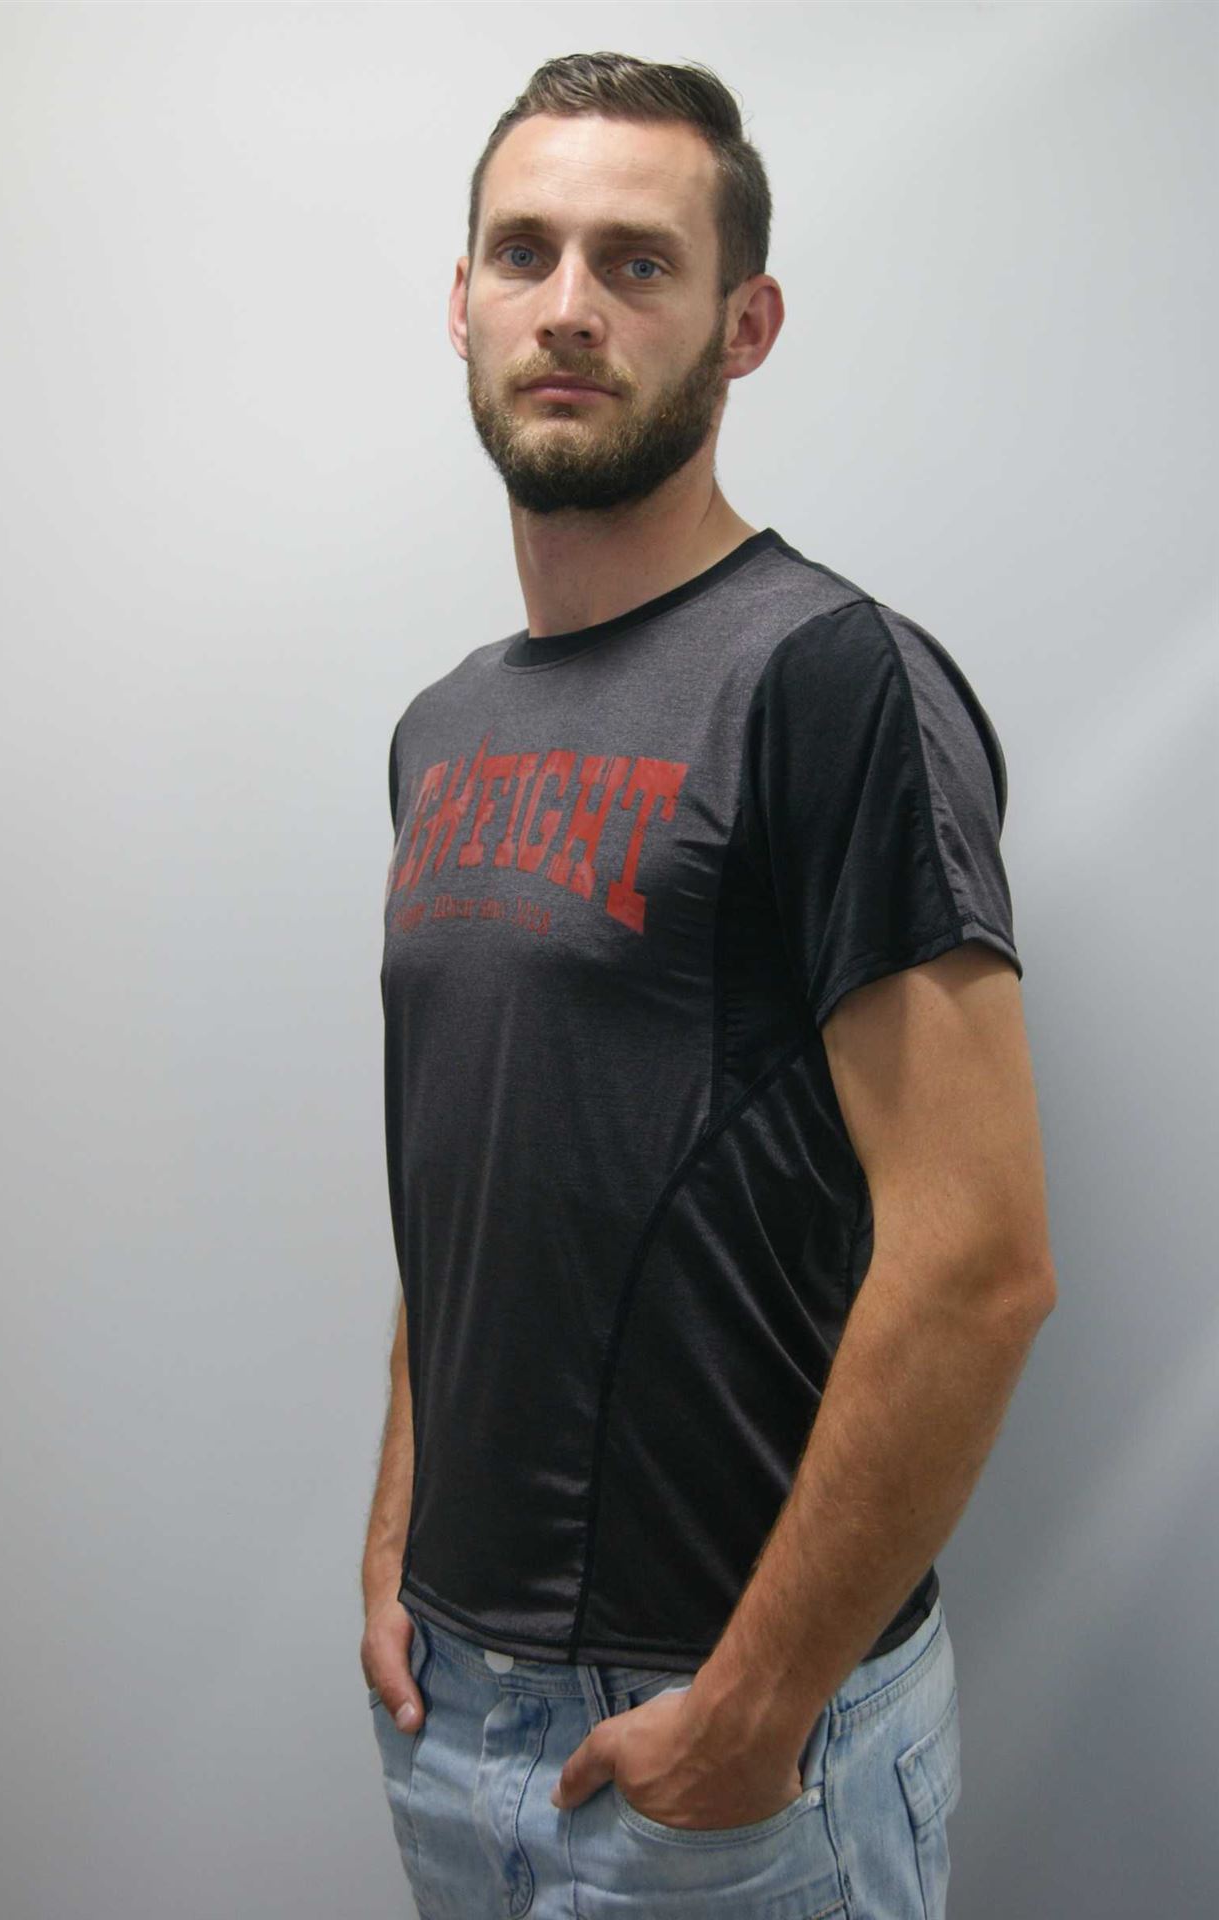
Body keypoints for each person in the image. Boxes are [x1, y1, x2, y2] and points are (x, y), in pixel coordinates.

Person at [360, 49, 1056, 1920]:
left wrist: (749, 1716)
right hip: (447, 1707)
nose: (570, 306)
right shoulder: (443, 730)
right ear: (461, 301)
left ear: (745, 325)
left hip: (720, 1759)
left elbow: (981, 1261)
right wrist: (397, 1532)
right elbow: (479, 1175)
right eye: (525, 252)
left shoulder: (832, 681)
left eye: (639, 262)